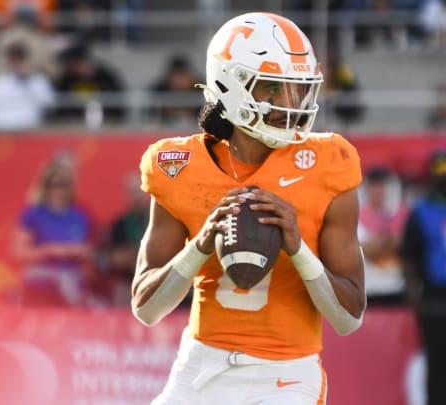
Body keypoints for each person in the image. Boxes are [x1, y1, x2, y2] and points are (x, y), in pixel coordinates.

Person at [131, 13, 366, 404]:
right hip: (200, 368)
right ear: (231, 87)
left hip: (287, 374)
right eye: (274, 89)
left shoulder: (329, 161)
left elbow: (349, 318)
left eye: (297, 89)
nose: (291, 104)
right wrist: (200, 245)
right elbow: (146, 308)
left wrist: (297, 247)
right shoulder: (177, 165)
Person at [12, 151, 94, 306]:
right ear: (46, 185)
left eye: (65, 185)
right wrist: (51, 250)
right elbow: (18, 253)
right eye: (55, 185)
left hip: (73, 280)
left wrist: (83, 254)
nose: (59, 191)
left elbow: (88, 254)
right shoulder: (33, 214)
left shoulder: (80, 215)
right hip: (42, 283)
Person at [400, 150, 446, 405]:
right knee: (437, 364)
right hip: (435, 300)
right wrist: (415, 297)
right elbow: (408, 257)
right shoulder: (421, 213)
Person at [358, 167, 409, 305]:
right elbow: (360, 250)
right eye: (374, 185)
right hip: (369, 289)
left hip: (397, 287)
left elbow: (407, 244)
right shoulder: (356, 217)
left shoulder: (403, 214)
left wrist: (379, 242)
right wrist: (390, 240)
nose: (379, 190)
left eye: (382, 185)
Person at [0, 42, 56, 130]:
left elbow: (48, 104)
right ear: (8, 61)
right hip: (2, 131)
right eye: (14, 60)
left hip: (31, 130)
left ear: (26, 60)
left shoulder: (38, 81)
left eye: (20, 59)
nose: (17, 63)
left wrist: (27, 81)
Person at [104, 171, 150, 306]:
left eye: (140, 191)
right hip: (127, 282)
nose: (137, 197)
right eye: (133, 192)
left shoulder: (159, 221)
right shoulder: (119, 224)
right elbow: (116, 258)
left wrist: (134, 254)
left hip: (156, 279)